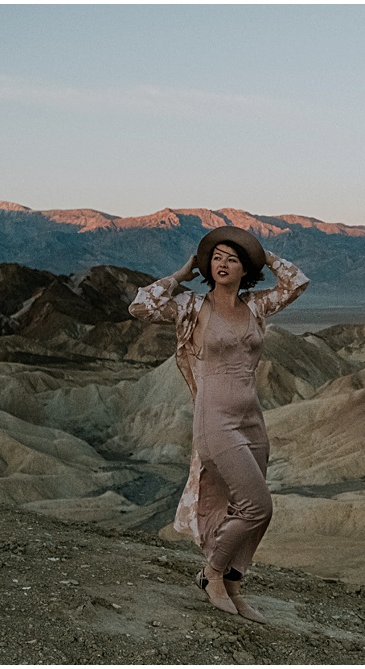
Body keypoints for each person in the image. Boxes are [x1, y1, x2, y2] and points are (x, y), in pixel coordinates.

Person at [129, 227, 309, 622]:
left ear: (245, 269)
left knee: (249, 508)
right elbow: (140, 306)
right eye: (216, 257)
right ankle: (211, 575)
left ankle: (233, 586)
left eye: (232, 258)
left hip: (251, 418)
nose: (222, 263)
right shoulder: (191, 306)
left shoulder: (256, 307)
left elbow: (297, 283)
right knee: (257, 506)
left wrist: (264, 253)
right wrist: (181, 272)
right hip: (215, 417)